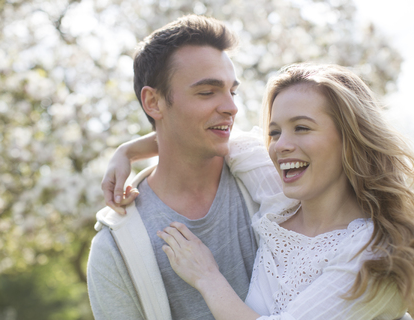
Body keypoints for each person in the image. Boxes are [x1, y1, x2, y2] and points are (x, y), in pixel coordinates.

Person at [105, 64, 414, 319]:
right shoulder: (280, 202)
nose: (282, 146)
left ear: (349, 139)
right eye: (275, 132)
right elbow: (204, 136)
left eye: (302, 128)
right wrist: (128, 151)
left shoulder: (369, 251)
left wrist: (207, 277)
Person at [87, 15, 293, 320]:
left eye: (231, 91)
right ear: (153, 102)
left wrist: (127, 150)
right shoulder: (115, 250)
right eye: (207, 92)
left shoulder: (268, 173)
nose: (231, 107)